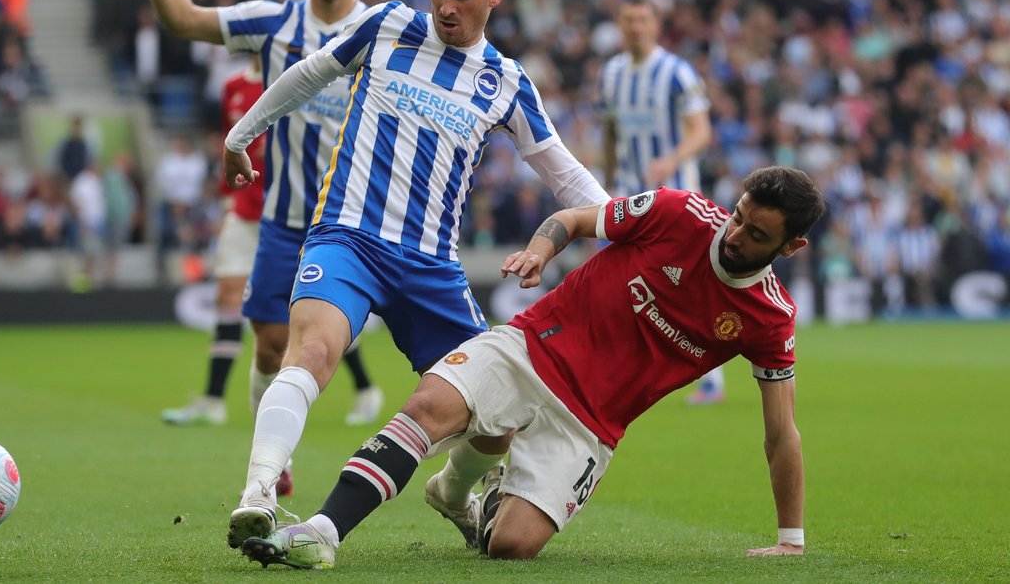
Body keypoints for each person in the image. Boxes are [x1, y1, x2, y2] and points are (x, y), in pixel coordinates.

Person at [221, 0, 609, 551]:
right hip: (348, 238)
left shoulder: (507, 81)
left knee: (496, 419)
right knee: (312, 352)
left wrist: (632, 224)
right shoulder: (389, 26)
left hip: (430, 266)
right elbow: (310, 74)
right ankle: (259, 494)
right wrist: (241, 135)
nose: (446, 8)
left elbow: (564, 173)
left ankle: (452, 493)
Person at [240, 166, 824, 569]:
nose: (734, 234)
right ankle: (320, 532)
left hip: (590, 423)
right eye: (738, 216)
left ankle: (458, 494)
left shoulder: (770, 317)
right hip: (530, 347)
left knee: (511, 547)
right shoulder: (678, 213)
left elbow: (782, 433)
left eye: (756, 234)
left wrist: (790, 539)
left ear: (790, 247)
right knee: (429, 407)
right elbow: (573, 219)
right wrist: (542, 249)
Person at [135, 0, 383, 481]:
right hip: (283, 220)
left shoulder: (384, 28)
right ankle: (276, 461)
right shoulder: (273, 22)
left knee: (349, 346)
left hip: (354, 224)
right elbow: (186, 19)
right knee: (271, 345)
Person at [161, 57, 383, 436]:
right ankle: (213, 399)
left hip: (290, 216)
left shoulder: (299, 77)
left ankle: (364, 386)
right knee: (229, 298)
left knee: (314, 312)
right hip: (246, 214)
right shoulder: (233, 86)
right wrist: (227, 199)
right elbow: (230, 146)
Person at [599, 0, 721, 404]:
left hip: (677, 195)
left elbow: (701, 131)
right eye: (629, 20)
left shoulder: (677, 72)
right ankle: (627, 368)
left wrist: (670, 160)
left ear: (656, 25)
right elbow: (611, 131)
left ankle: (711, 378)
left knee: (689, 283)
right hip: (629, 192)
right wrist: (608, 179)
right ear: (620, 24)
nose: (635, 27)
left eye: (642, 20)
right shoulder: (612, 73)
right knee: (623, 279)